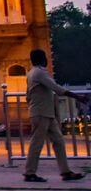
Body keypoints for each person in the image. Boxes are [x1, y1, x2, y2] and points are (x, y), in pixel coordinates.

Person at [23, 49, 86, 183]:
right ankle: (29, 173)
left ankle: (65, 172)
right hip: (41, 113)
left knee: (58, 141)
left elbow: (28, 95)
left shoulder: (31, 73)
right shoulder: (39, 73)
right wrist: (77, 96)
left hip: (46, 113)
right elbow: (56, 88)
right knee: (37, 143)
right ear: (42, 59)